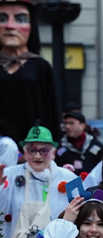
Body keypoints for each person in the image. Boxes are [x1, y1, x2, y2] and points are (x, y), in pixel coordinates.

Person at [0, 0, 58, 144]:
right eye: (2, 19)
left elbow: (51, 112)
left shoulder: (41, 67)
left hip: (33, 146)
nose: (10, 26)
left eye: (20, 19)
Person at [56, 111, 103, 175]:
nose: (67, 126)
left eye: (71, 123)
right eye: (65, 123)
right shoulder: (60, 147)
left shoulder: (96, 146)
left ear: (82, 125)